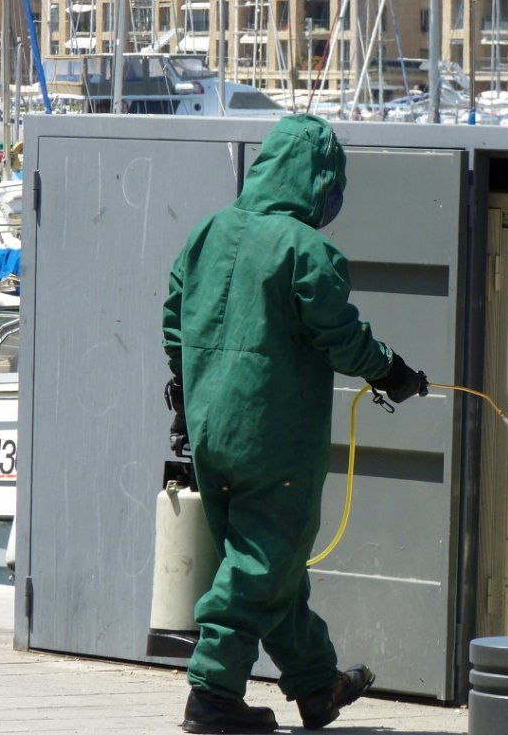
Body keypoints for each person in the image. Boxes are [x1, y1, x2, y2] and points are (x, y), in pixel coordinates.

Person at [162, 114, 427, 734]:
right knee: (262, 563)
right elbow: (338, 335)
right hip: (273, 433)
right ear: (320, 180)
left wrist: (183, 402)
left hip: (207, 429)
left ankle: (316, 686)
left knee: (268, 563)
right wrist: (390, 372)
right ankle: (212, 694)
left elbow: (174, 322)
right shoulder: (307, 248)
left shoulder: (207, 232)